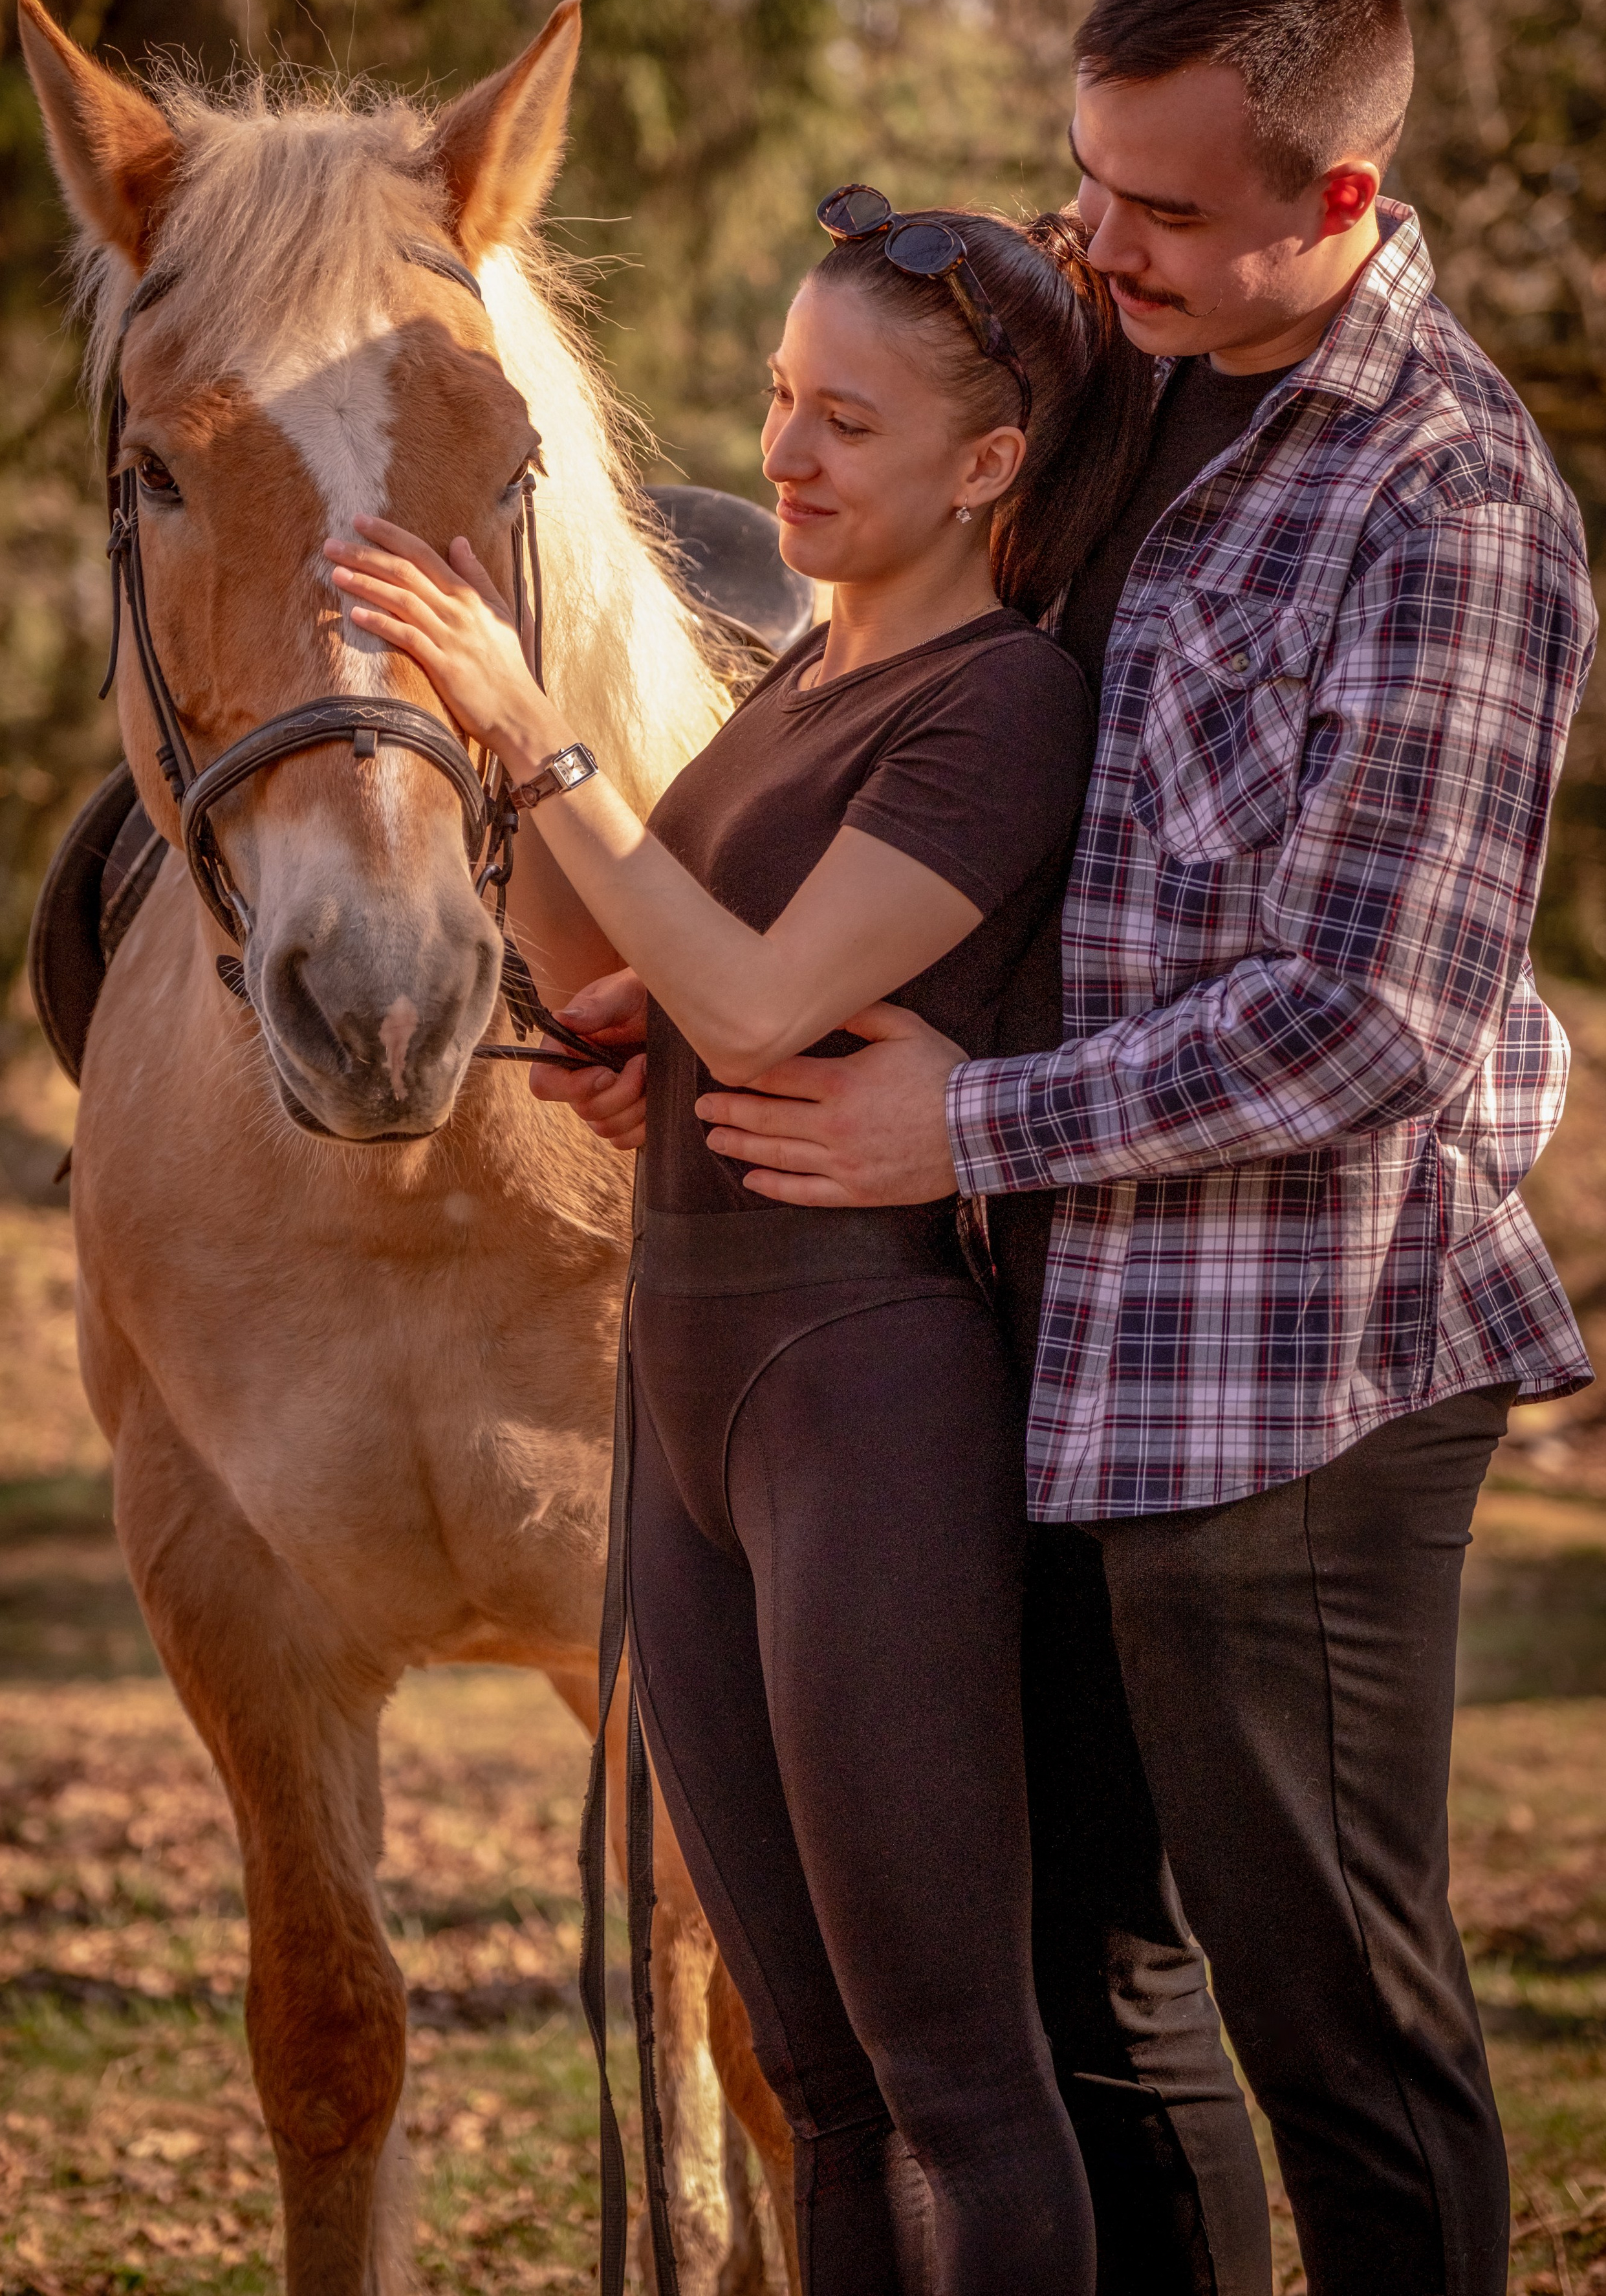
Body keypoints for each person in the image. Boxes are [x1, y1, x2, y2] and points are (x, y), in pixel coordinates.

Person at [560, 0, 1596, 2296]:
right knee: (1086, 2005)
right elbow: (977, 789)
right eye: (1088, 176)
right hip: (1024, 1343)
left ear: (1340, 197)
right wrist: (729, 1023)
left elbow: (1380, 1016)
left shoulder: (1445, 506)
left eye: (1161, 210)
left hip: (1292, 1366)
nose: (1096, 239)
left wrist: (967, 1122)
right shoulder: (1109, 375)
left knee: (1334, 2023)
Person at [322, 195, 1200, 2291]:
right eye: (783, 397)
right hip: (691, 1394)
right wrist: (487, 737)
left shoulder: (1001, 702)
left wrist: (544, 738)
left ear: (989, 465)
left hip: (866, 1402)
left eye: (848, 423)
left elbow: (758, 1001)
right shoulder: (808, 675)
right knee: (811, 2074)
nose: (784, 453)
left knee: (952, 2074)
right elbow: (620, 965)